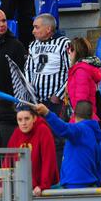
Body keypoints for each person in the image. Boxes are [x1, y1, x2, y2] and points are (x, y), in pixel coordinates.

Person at [25, 13, 70, 171]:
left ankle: (56, 176)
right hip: (37, 101)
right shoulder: (33, 45)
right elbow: (29, 69)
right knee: (38, 140)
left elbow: (71, 71)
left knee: (57, 140)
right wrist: (30, 91)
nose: (33, 31)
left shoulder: (64, 44)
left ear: (48, 28)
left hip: (55, 103)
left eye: (37, 27)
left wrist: (58, 94)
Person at [36, 100, 101, 188]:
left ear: (73, 114)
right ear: (92, 115)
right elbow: (99, 165)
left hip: (74, 185)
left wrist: (47, 113)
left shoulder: (79, 129)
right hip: (91, 185)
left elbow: (63, 128)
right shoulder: (95, 135)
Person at [0, 105, 58, 197]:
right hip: (22, 187)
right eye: (20, 120)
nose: (23, 123)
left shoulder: (43, 130)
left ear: (34, 118)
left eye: (27, 119)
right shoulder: (17, 133)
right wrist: (2, 185)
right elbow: (8, 160)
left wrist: (43, 186)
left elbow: (48, 160)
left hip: (42, 189)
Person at [0, 8, 28, 126]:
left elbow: (23, 77)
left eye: (4, 21)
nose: (2, 24)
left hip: (8, 104)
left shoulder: (16, 45)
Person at [66, 37, 101, 123]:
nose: (69, 53)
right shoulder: (83, 69)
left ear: (76, 51)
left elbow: (81, 99)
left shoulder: (81, 71)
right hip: (85, 117)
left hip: (82, 119)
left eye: (70, 50)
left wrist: (76, 121)